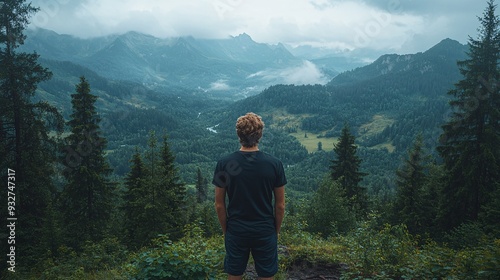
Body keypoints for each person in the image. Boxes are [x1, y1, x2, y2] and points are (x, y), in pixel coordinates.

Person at [213, 112, 286, 280]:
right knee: (266, 275)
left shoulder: (224, 164)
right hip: (264, 229)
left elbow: (219, 204)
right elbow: (280, 205)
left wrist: (227, 231)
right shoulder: (275, 164)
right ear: (260, 134)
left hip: (237, 229)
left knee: (235, 274)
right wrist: (275, 232)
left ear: (239, 134)